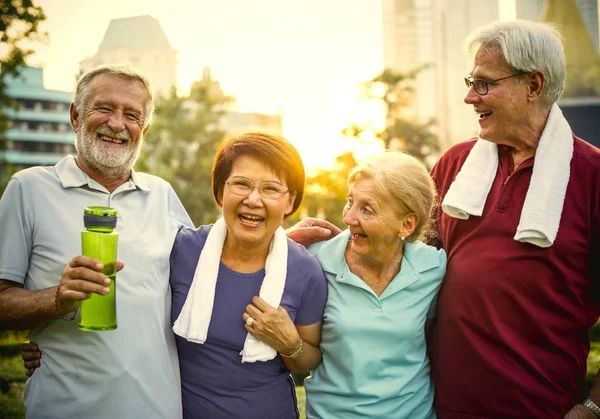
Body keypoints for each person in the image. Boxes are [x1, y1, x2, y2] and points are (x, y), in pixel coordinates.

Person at [0, 64, 193, 418]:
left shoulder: (162, 195)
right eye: (104, 107)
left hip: (158, 409)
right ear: (76, 115)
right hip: (62, 408)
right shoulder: (28, 189)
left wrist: (280, 239)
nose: (117, 123)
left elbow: (211, 270)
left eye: (131, 115)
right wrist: (55, 300)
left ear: (144, 129)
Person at [428, 20, 600, 418]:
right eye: (470, 81)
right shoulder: (453, 164)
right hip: (442, 409)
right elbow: (401, 262)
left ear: (534, 86)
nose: (471, 97)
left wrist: (592, 407)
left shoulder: (592, 177)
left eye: (485, 84)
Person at [272, 151, 446, 418]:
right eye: (350, 201)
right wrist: (278, 244)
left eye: (367, 209)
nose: (349, 218)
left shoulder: (432, 268)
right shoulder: (315, 261)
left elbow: (429, 337)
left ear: (407, 224)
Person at [169, 132, 327, 418]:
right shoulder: (182, 250)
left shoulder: (305, 271)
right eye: (241, 184)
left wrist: (289, 344)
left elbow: (309, 360)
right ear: (220, 192)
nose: (253, 200)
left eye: (270, 189)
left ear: (290, 202)